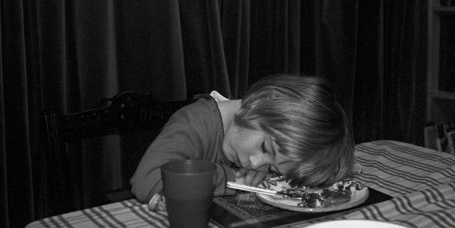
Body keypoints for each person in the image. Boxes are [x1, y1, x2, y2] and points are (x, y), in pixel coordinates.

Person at [130, 74, 355, 203]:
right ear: (258, 105)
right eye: (265, 148)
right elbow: (147, 181)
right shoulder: (194, 124)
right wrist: (233, 179)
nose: (256, 164)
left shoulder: (257, 134)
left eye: (273, 168)